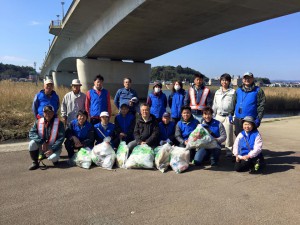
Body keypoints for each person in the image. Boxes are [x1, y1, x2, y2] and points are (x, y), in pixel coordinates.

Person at [28, 105, 65, 170]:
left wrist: (52, 149)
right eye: (46, 112)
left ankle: (54, 160)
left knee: (53, 158)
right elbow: (31, 133)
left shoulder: (59, 123)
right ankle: (35, 162)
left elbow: (61, 138)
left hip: (53, 146)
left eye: (50, 112)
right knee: (31, 143)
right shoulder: (38, 122)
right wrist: (42, 142)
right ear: (43, 113)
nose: (48, 114)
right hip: (42, 145)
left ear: (53, 113)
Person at [234, 72, 266, 136]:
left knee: (250, 139)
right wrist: (230, 114)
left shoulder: (258, 90)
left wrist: (258, 118)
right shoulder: (238, 90)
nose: (247, 80)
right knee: (239, 138)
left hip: (250, 120)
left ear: (252, 79)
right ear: (243, 79)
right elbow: (234, 102)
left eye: (249, 78)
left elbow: (261, 105)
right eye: (245, 78)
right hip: (238, 119)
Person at [212, 73, 236, 157]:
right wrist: (213, 115)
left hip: (228, 116)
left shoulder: (233, 92)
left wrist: (233, 116)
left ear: (229, 81)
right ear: (220, 81)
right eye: (222, 80)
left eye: (226, 80)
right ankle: (216, 149)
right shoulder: (217, 92)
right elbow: (214, 105)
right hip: (218, 116)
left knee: (229, 135)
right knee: (216, 133)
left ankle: (229, 151)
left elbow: (235, 105)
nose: (224, 82)